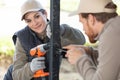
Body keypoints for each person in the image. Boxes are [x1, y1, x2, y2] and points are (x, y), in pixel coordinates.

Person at [3, 0, 85, 80]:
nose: (34, 23)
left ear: (45, 14)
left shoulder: (58, 31)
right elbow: (16, 75)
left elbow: (81, 40)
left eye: (37, 16)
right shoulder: (22, 38)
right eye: (29, 21)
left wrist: (62, 30)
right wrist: (30, 68)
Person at [64, 0, 120, 80]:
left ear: (91, 19)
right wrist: (89, 52)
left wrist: (80, 59)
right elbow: (112, 63)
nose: (83, 28)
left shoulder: (110, 34)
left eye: (82, 22)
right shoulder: (116, 27)